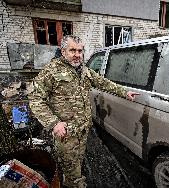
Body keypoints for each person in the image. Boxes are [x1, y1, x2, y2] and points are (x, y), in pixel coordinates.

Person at [28, 35, 139, 188]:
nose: (77, 54)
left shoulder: (83, 70)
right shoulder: (51, 71)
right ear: (63, 51)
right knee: (69, 162)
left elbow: (102, 82)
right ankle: (74, 183)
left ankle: (71, 178)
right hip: (66, 133)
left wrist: (124, 92)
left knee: (77, 159)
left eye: (80, 51)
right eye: (72, 50)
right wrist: (54, 123)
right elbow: (35, 98)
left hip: (83, 128)